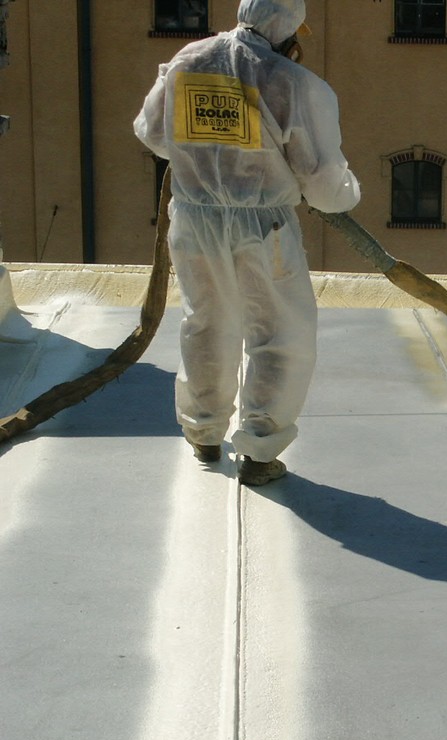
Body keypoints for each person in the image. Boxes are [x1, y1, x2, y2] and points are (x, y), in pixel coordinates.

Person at [134, 0, 360, 485]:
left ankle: (203, 432)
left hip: (193, 220)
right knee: (280, 334)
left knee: (206, 322)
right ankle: (260, 451)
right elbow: (323, 182)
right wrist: (346, 193)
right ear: (289, 29)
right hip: (263, 229)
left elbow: (151, 132)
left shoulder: (188, 60)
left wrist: (206, 155)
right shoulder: (291, 82)